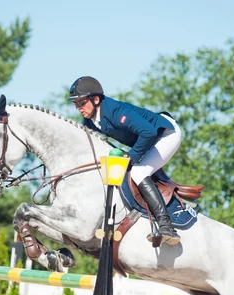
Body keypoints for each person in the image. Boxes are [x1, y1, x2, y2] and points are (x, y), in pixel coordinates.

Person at [69, 76, 182, 245]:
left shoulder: (115, 111)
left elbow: (149, 132)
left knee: (138, 171)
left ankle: (166, 225)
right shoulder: (90, 121)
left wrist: (132, 156)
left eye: (82, 103)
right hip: (149, 139)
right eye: (76, 104)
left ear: (96, 99)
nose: (79, 108)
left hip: (166, 134)